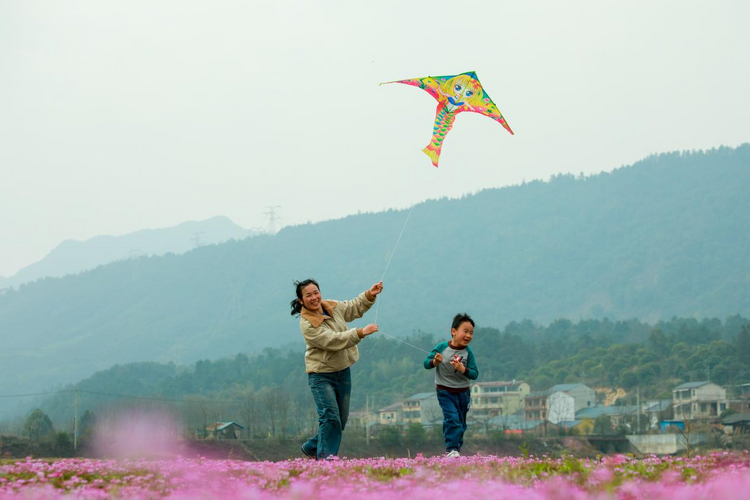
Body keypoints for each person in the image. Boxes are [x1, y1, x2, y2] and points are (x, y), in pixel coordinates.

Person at [291, 278, 383, 459]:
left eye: (316, 292)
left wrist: (369, 296)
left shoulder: (331, 306)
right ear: (301, 301)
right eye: (308, 295)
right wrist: (360, 333)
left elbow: (352, 307)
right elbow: (332, 340)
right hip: (320, 375)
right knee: (330, 417)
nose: (314, 297)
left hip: (342, 370)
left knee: (339, 421)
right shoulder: (307, 324)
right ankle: (327, 460)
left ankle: (312, 447)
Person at [423, 313, 478, 457]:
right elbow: (426, 364)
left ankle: (456, 450)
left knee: (461, 424)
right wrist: (435, 362)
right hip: (444, 391)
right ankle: (451, 449)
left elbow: (474, 374)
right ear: (453, 331)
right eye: (465, 331)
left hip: (463, 393)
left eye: (471, 333)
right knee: (452, 418)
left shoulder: (468, 353)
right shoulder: (441, 347)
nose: (468, 335)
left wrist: (462, 369)